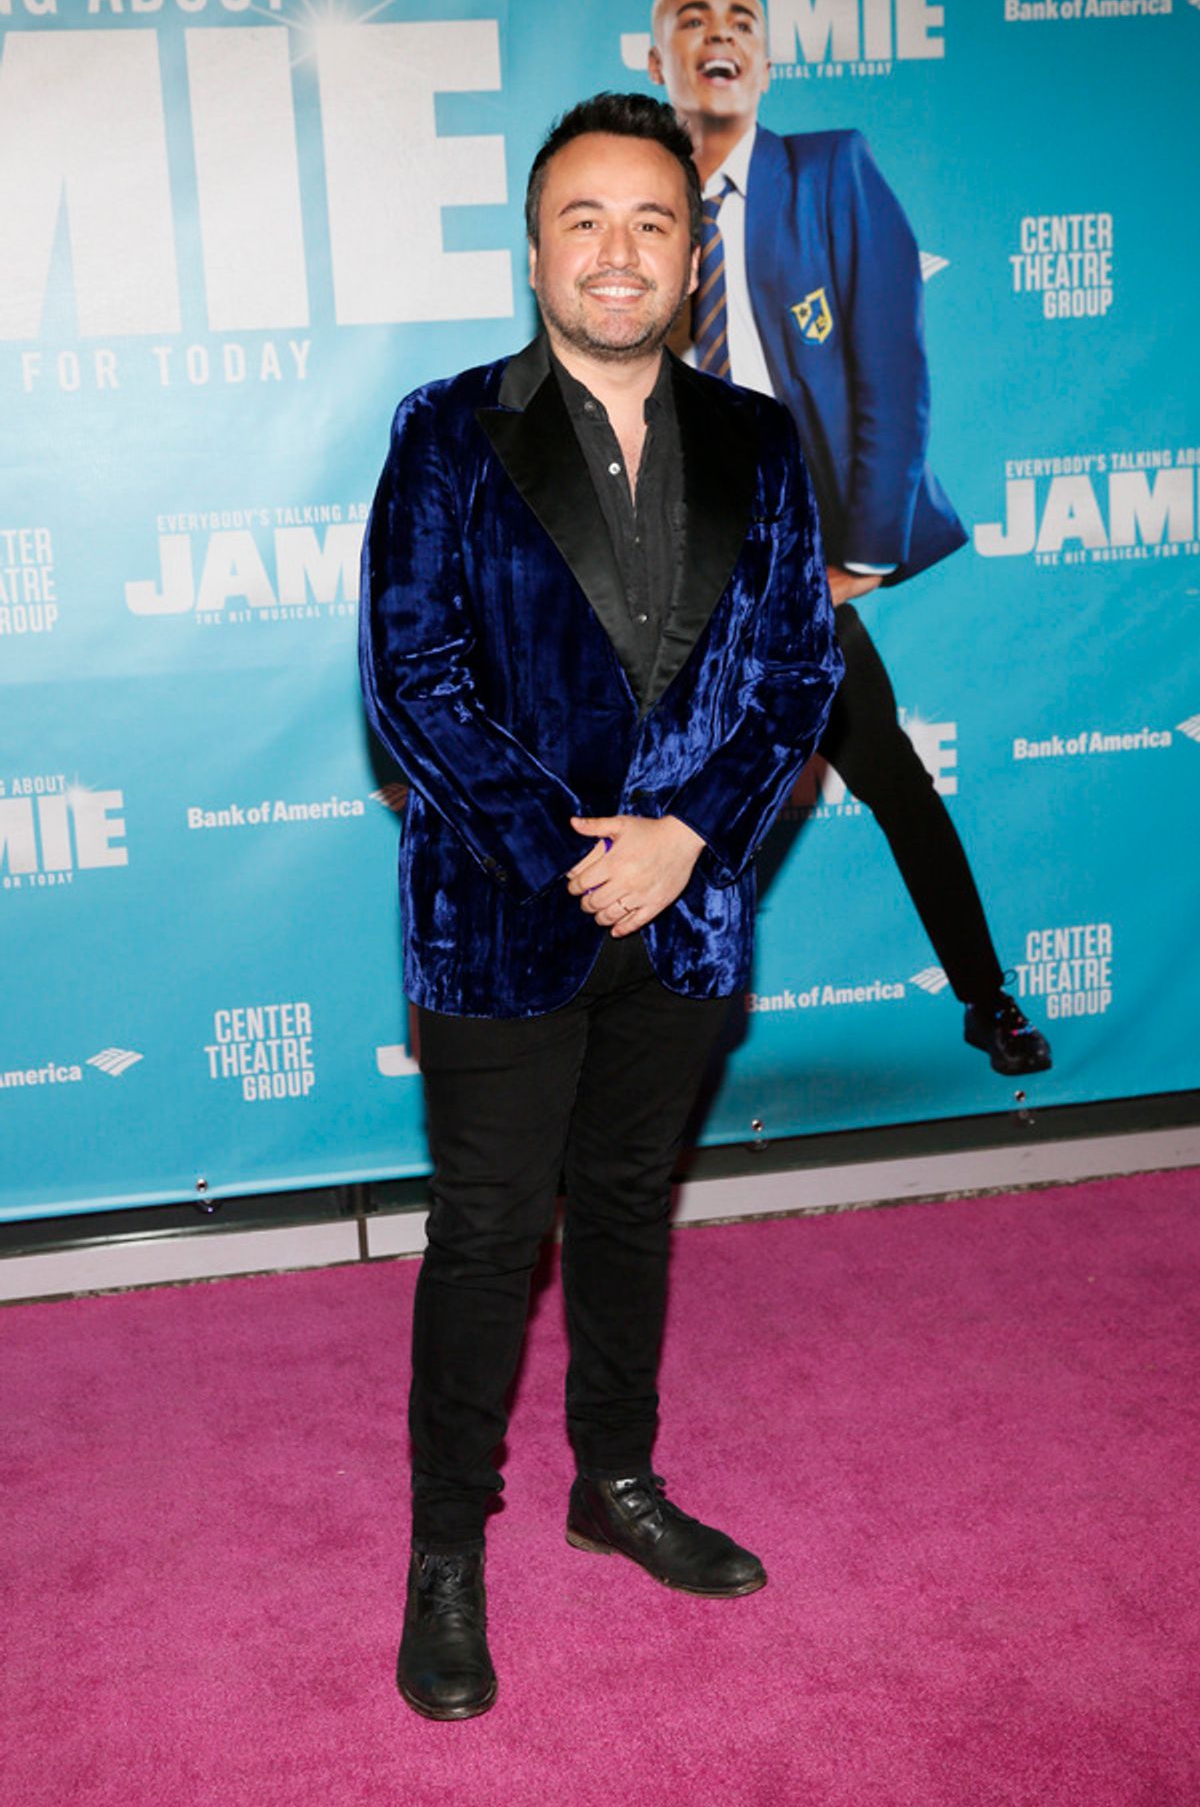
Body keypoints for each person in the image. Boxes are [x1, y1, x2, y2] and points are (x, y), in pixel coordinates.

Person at [359, 92, 842, 1720]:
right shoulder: (444, 432)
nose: (619, 251)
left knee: (630, 1206)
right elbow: (409, 679)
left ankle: (613, 1478)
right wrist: (584, 848)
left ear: (696, 257)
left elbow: (799, 674)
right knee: (493, 1235)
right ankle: (445, 1550)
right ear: (534, 246)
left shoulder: (765, 447)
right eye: (585, 219)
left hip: (690, 914)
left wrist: (689, 835)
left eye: (653, 220)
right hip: (504, 910)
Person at [649, 0, 1050, 1078]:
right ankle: (619, 1044)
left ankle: (987, 997)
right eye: (693, 20)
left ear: (766, 60)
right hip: (673, 582)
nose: (719, 35)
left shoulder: (831, 173)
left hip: (794, 574)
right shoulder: (643, 206)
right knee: (669, 816)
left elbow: (894, 368)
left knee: (896, 784)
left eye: (741, 21)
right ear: (658, 62)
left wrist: (859, 559)